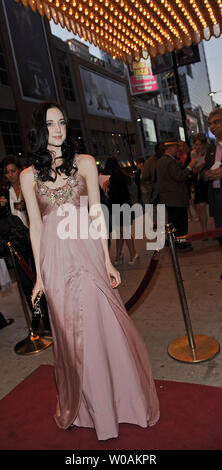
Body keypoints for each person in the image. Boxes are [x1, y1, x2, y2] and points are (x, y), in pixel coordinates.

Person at [20, 102, 159, 441]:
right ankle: (88, 410)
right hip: (55, 260)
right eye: (50, 124)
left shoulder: (84, 163)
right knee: (70, 337)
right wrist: (39, 275)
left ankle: (122, 402)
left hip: (88, 255)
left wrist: (108, 260)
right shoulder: (27, 176)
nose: (58, 129)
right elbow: (35, 228)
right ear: (40, 130)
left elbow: (97, 215)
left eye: (62, 122)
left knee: (105, 328)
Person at [156, 139, 196, 249]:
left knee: (173, 221)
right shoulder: (169, 161)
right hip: (176, 197)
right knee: (180, 223)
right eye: (176, 147)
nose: (178, 150)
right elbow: (179, 176)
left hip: (168, 197)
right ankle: (181, 243)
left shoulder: (161, 161)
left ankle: (173, 241)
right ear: (171, 148)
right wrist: (190, 166)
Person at [103, 156, 139, 265]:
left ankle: (132, 254)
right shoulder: (122, 175)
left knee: (122, 232)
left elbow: (109, 194)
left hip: (116, 206)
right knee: (122, 232)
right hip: (125, 205)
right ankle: (120, 255)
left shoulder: (110, 178)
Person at [202, 107, 222, 245]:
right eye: (210, 123)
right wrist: (206, 174)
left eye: (216, 122)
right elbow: (203, 171)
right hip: (217, 198)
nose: (212, 126)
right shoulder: (211, 148)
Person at [0, 155, 29, 227]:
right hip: (15, 234)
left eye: (13, 171)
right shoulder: (4, 192)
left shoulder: (28, 187)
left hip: (32, 228)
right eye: (7, 172)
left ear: (19, 170)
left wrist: (26, 206)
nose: (10, 175)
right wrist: (1, 206)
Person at [191, 133, 209, 233]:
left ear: (204, 144)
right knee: (201, 207)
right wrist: (201, 166)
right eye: (196, 144)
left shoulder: (209, 152)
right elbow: (193, 170)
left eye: (199, 144)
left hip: (209, 180)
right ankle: (204, 230)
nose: (197, 147)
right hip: (198, 181)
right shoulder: (193, 153)